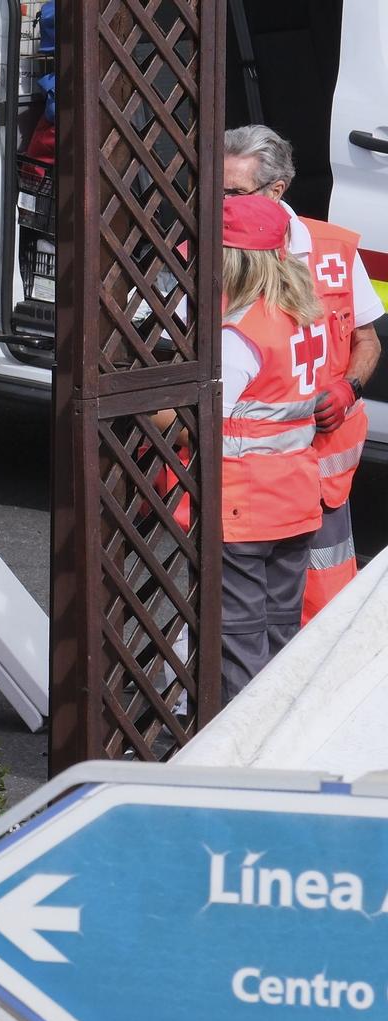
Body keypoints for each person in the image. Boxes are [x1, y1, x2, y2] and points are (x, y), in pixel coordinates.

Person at [160, 195, 324, 701]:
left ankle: (241, 766)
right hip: (293, 502)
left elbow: (199, 423)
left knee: (238, 649)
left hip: (243, 507)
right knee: (279, 642)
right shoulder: (301, 315)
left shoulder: (240, 335)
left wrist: (146, 407)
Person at [222, 125, 381, 622]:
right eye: (213, 188)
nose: (219, 202)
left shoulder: (333, 250)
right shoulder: (213, 245)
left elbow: (368, 341)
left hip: (322, 468)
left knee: (320, 609)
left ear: (276, 191)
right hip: (255, 481)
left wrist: (349, 386)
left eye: (234, 192)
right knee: (248, 621)